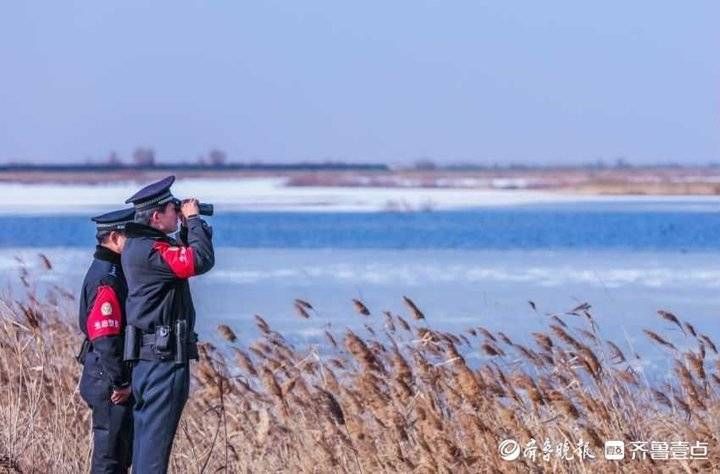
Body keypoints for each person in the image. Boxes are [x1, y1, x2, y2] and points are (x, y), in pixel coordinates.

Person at [121, 175, 214, 473]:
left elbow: (182, 262)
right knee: (153, 452)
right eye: (174, 209)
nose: (178, 213)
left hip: (147, 359)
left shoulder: (140, 246)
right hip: (162, 362)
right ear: (157, 216)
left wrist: (188, 229)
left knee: (146, 444)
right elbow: (198, 261)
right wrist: (195, 221)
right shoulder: (152, 250)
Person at [77, 208, 135, 473]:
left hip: (103, 374)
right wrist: (120, 381)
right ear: (114, 237)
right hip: (107, 380)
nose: (135, 243)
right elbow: (106, 336)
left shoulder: (110, 269)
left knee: (119, 456)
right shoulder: (107, 277)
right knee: (109, 459)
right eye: (130, 236)